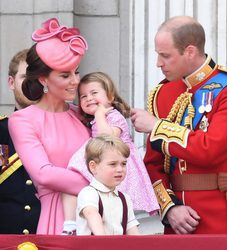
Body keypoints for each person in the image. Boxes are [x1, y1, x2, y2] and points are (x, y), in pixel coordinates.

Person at [131, 16, 227, 234]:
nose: (158, 63)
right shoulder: (163, 93)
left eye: (165, 55)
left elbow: (211, 149)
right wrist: (170, 208)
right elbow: (153, 164)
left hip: (222, 216)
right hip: (177, 224)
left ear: (190, 51)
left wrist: (157, 127)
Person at [8, 18, 91, 235]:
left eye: (76, 72)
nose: (75, 81)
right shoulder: (23, 120)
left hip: (98, 216)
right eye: (65, 75)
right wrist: (100, 183)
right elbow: (44, 174)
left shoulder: (83, 115)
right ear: (44, 79)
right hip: (58, 220)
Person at [62, 71, 159, 234]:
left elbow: (107, 139)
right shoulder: (93, 120)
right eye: (83, 96)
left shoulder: (115, 116)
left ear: (110, 95)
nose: (89, 98)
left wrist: (100, 114)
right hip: (101, 158)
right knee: (71, 180)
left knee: (118, 201)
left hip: (114, 159)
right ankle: (70, 223)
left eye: (94, 93)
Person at [0, 49, 41, 234]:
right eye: (25, 77)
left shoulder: (64, 130)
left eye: (37, 78)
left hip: (50, 237)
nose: (31, 84)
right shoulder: (1, 131)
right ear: (11, 82)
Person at [76, 134, 140, 235]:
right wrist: (104, 244)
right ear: (93, 167)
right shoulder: (88, 193)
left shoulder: (125, 199)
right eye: (113, 164)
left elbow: (133, 232)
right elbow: (91, 214)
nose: (120, 169)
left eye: (123, 164)